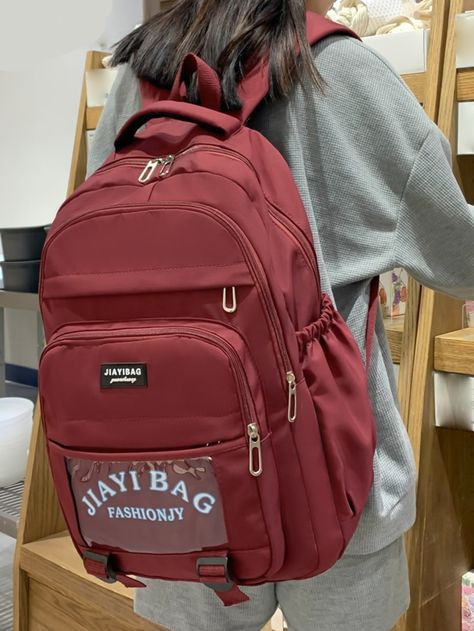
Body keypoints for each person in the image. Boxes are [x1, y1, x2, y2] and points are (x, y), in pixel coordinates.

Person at [87, 1, 474, 630]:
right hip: (331, 473)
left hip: (172, 476)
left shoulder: (140, 71)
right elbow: (462, 258)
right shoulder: (338, 72)